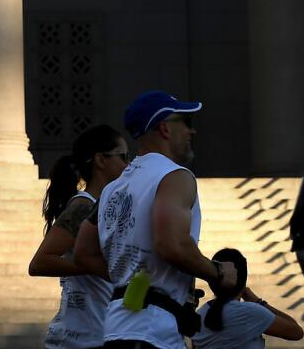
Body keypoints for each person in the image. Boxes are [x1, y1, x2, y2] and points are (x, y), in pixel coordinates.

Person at [74, 91, 239, 349]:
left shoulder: (114, 187)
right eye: (186, 122)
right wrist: (217, 272)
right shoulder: (174, 176)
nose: (191, 132)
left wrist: (131, 277)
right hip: (152, 332)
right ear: (164, 127)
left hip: (117, 327)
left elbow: (83, 252)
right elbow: (171, 245)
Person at [29, 123, 130, 349]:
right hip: (81, 339)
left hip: (98, 334)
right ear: (101, 160)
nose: (128, 164)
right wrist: (100, 266)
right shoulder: (84, 205)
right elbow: (40, 263)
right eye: (123, 156)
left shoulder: (102, 206)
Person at [191, 248, 303, 347]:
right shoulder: (249, 312)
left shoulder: (199, 316)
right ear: (243, 281)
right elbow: (296, 332)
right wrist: (258, 301)